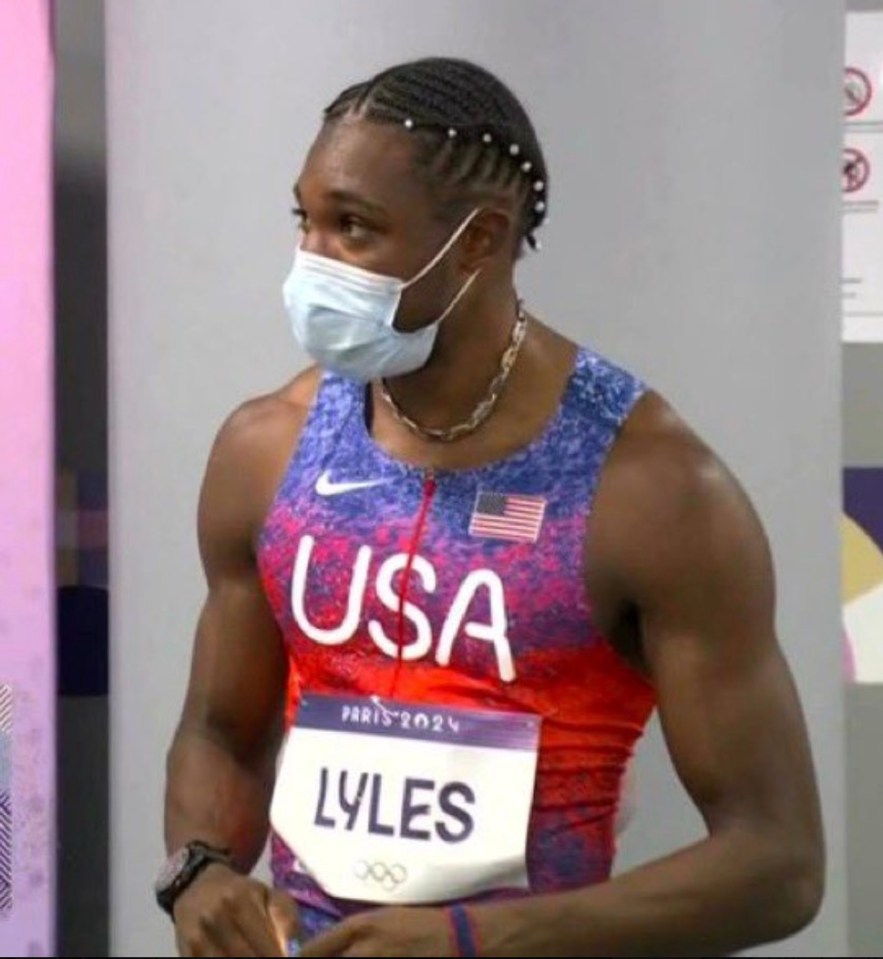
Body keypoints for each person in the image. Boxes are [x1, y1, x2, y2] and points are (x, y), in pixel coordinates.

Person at [156, 57, 825, 958]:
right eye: (303, 222)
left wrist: (477, 940)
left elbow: (776, 861)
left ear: (478, 240)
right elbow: (219, 733)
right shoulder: (266, 447)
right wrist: (198, 870)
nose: (310, 264)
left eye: (352, 228)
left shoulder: (652, 490)